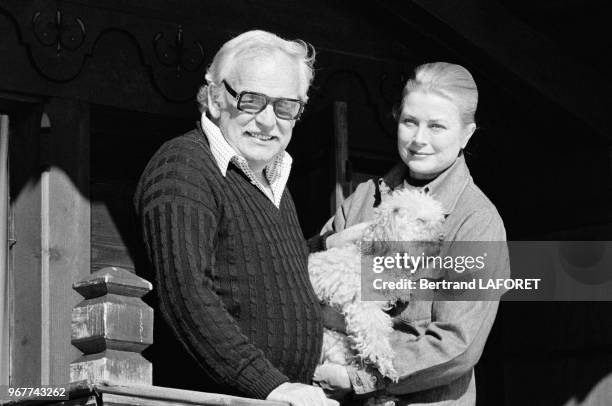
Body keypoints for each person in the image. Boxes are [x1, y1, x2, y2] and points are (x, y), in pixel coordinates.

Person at [134, 30, 337, 406]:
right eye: (251, 101)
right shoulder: (185, 166)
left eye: (284, 106)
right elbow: (187, 296)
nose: (266, 121)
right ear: (214, 98)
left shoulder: (272, 181)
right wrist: (272, 386)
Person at [312, 62, 510, 405]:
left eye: (437, 126)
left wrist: (358, 377)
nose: (419, 139)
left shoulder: (476, 221)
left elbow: (457, 344)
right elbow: (309, 287)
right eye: (410, 122)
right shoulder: (362, 199)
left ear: (467, 134)